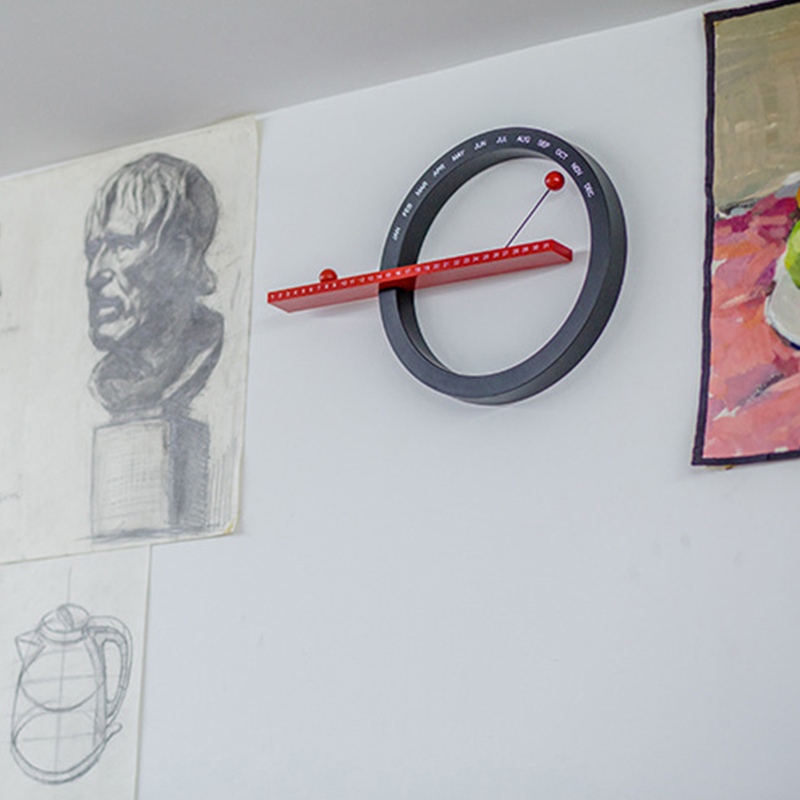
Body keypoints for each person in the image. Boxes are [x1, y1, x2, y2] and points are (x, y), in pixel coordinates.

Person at [85, 153, 223, 416]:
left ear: (179, 254)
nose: (94, 274)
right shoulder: (106, 383)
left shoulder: (198, 357)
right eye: (93, 251)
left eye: (122, 246)